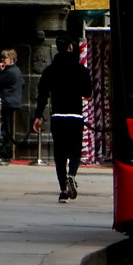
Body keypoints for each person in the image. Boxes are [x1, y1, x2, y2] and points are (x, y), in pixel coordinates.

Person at [33, 36, 92, 203]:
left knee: (59, 154)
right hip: (75, 115)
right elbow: (88, 93)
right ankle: (72, 174)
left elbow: (42, 95)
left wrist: (38, 116)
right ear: (71, 48)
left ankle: (63, 190)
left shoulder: (50, 70)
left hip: (57, 116)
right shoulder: (81, 70)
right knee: (75, 151)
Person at [0, 48, 24, 164]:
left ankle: (3, 152)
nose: (2, 60)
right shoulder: (16, 71)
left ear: (11, 59)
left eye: (4, 58)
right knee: (5, 128)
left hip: (6, 103)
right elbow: (22, 84)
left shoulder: (10, 72)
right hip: (12, 102)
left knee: (3, 129)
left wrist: (0, 71)